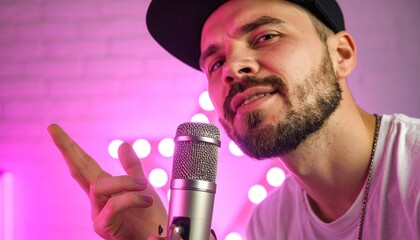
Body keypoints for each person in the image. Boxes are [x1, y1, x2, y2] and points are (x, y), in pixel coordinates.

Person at [48, 0, 420, 239]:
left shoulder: (413, 171)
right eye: (215, 62)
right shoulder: (270, 224)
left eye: (265, 36)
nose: (233, 69)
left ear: (341, 54)